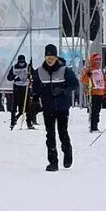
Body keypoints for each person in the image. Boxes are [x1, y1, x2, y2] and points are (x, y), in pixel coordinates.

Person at [33, 43, 79, 172]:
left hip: (63, 107)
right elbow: (35, 88)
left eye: (52, 56)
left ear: (56, 57)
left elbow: (74, 84)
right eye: (47, 56)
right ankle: (53, 162)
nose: (50, 59)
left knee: (62, 132)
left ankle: (68, 154)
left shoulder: (65, 70)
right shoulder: (39, 72)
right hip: (48, 107)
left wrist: (64, 90)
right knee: (50, 134)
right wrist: (35, 99)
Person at [81, 53, 106, 132]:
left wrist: (105, 90)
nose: (98, 62)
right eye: (96, 60)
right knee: (94, 110)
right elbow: (84, 80)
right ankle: (93, 126)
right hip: (92, 92)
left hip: (100, 92)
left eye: (99, 60)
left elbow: (104, 80)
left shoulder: (100, 70)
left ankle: (95, 124)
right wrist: (87, 76)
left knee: (98, 110)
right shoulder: (89, 70)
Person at [7, 55, 33, 130]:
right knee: (15, 105)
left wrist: (30, 77)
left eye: (22, 62)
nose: (21, 64)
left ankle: (29, 123)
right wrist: (15, 77)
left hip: (25, 87)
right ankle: (12, 121)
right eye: (20, 62)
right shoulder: (14, 67)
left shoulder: (28, 66)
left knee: (28, 105)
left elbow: (33, 74)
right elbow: (9, 77)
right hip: (17, 87)